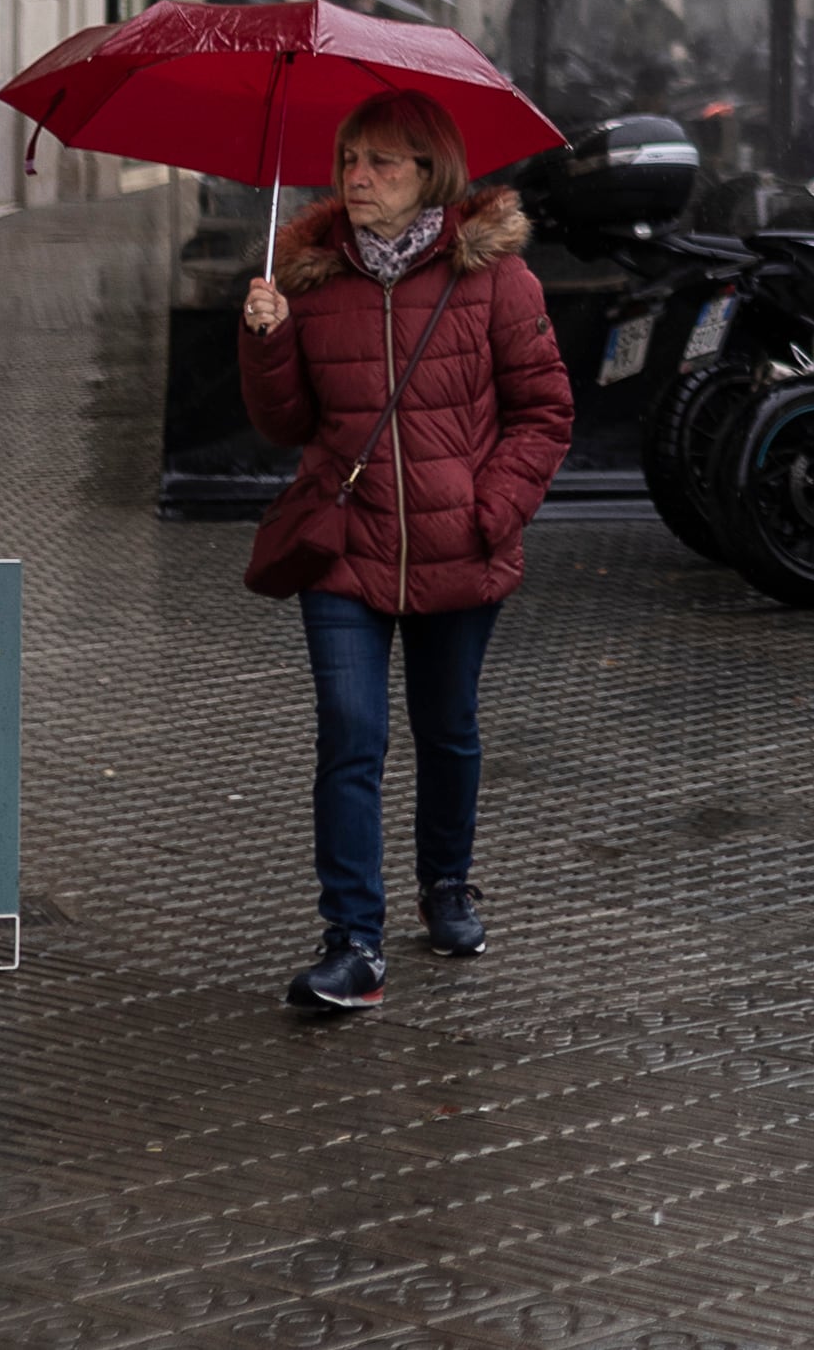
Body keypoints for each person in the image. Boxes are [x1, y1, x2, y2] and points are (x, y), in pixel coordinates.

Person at [238, 88, 571, 1018]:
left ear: (432, 173)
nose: (358, 177)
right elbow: (286, 423)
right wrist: (263, 343)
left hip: (456, 547)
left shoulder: (498, 278)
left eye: (382, 162)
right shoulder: (307, 277)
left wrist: (487, 510)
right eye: (349, 159)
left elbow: (546, 412)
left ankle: (450, 884)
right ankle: (352, 942)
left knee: (447, 726)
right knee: (351, 731)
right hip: (344, 546)